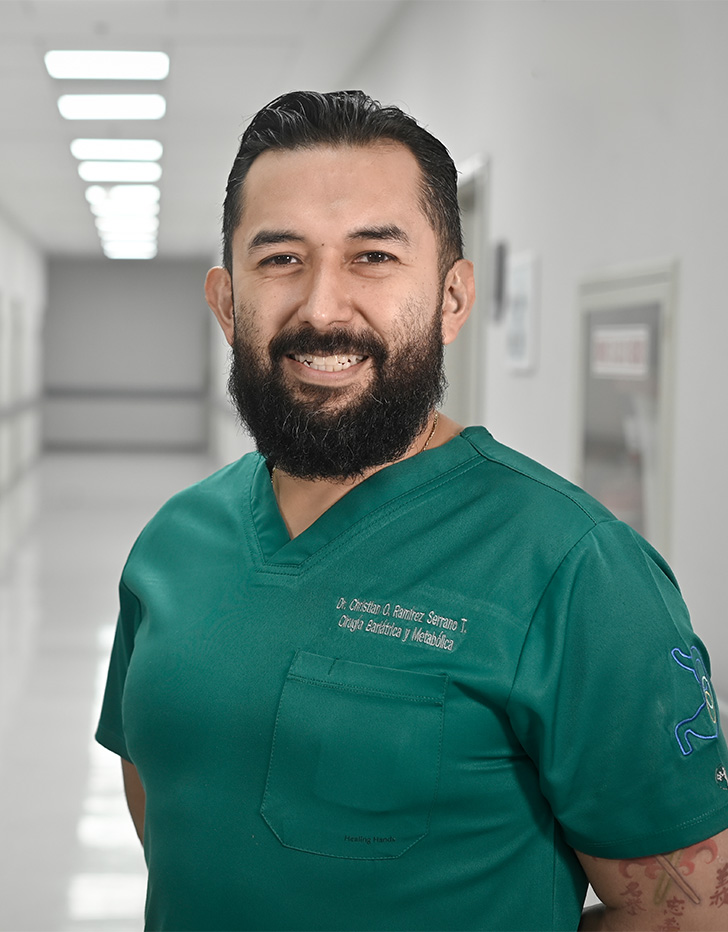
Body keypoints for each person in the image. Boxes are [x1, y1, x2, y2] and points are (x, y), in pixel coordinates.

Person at [96, 90, 728, 932]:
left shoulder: (575, 568)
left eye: (374, 258)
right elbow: (173, 813)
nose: (323, 308)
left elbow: (686, 912)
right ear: (226, 302)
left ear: (453, 299)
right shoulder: (173, 545)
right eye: (280, 258)